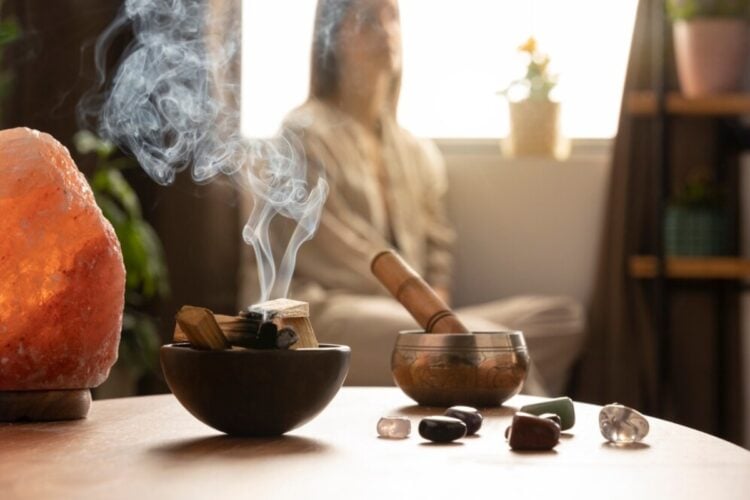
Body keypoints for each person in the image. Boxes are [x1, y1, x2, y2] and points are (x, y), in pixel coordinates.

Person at [240, 0, 584, 393]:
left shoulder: (415, 150)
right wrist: (423, 306)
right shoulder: (301, 133)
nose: (386, 30)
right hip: (326, 313)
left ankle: (454, 375)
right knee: (492, 349)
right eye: (368, 19)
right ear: (331, 36)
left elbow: (438, 247)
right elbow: (332, 250)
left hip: (413, 311)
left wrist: (436, 303)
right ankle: (532, 428)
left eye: (392, 17)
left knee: (561, 319)